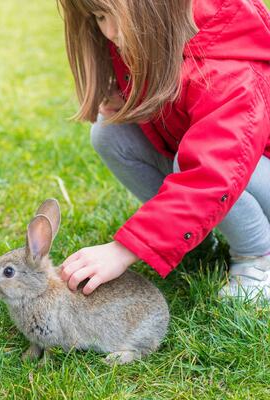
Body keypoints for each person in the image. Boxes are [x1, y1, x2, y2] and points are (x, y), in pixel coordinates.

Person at [58, 0, 270, 300]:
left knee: (194, 164)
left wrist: (125, 249)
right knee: (110, 134)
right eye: (101, 17)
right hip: (237, 174)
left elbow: (212, 174)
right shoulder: (157, 30)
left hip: (245, 172)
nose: (111, 31)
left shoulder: (229, 71)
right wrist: (127, 95)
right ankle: (193, 240)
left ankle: (258, 258)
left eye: (118, 16)